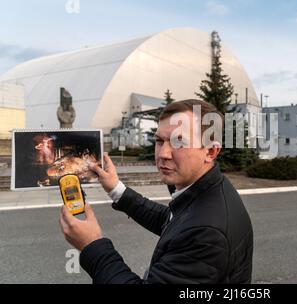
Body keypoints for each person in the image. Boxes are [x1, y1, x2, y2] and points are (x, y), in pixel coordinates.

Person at [59, 99, 254, 284]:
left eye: (179, 142)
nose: (162, 154)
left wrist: (92, 245)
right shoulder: (208, 190)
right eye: (160, 141)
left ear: (210, 152)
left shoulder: (207, 233)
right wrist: (116, 189)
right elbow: (170, 220)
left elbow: (188, 228)